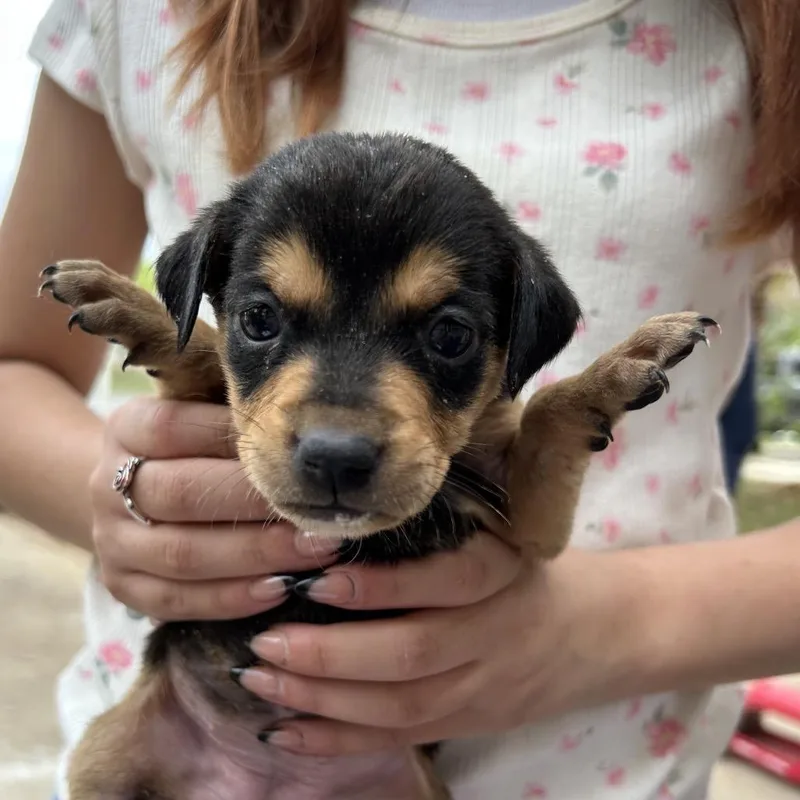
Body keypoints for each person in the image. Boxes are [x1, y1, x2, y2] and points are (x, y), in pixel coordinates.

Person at [1, 1, 800, 798]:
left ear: (518, 345)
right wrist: (122, 501)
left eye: (447, 337)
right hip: (171, 742)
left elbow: (531, 516)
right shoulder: (135, 16)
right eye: (261, 319)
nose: (338, 433)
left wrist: (601, 627)